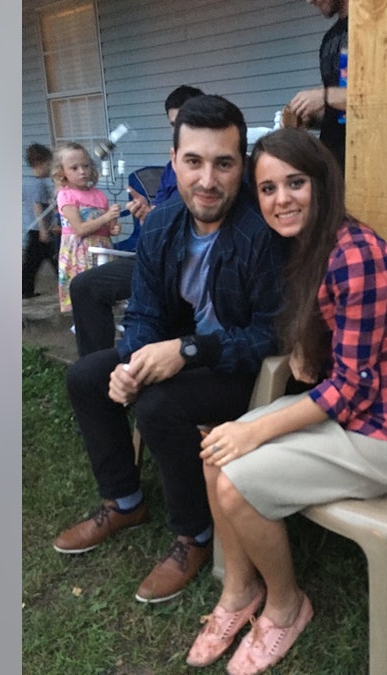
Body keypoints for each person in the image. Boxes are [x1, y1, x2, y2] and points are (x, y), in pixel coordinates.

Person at [183, 128, 387, 674]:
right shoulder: (310, 250)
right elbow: (322, 365)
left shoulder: (355, 255)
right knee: (217, 453)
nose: (282, 199)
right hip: (354, 418)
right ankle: (238, 592)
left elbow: (352, 386)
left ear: (323, 183)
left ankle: (285, 605)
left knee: (236, 476)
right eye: (268, 188)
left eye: (295, 182)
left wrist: (257, 430)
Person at [56, 95, 288, 605]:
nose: (207, 180)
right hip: (185, 353)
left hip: (239, 368)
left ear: (241, 167)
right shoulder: (162, 225)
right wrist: (133, 362)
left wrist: (184, 351)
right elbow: (144, 313)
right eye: (194, 161)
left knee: (161, 406)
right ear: (173, 160)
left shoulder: (261, 232)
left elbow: (268, 337)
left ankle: (194, 535)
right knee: (88, 378)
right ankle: (124, 500)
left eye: (223, 163)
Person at [67, 84, 205, 355]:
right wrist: (148, 214)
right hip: (154, 256)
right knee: (84, 286)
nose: (180, 132)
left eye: (187, 123)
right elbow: (161, 212)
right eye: (174, 125)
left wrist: (161, 219)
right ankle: (100, 364)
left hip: (190, 259)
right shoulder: (171, 166)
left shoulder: (214, 165)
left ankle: (144, 360)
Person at [52, 142, 122, 315]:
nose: (82, 171)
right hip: (80, 253)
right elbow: (80, 229)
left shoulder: (99, 195)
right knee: (86, 298)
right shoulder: (66, 195)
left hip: (102, 249)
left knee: (103, 295)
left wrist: (112, 227)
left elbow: (105, 227)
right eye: (74, 168)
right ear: (62, 172)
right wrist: (106, 217)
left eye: (85, 166)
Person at [287, 0, 349, 171]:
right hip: (332, 167)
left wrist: (324, 96)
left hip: (366, 166)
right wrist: (309, 119)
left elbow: (380, 98)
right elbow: (342, 116)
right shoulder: (330, 39)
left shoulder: (373, 29)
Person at [21, 143, 58, 298]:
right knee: (34, 262)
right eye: (49, 164)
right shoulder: (39, 184)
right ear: (39, 163)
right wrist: (44, 230)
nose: (50, 168)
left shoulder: (28, 182)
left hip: (33, 227)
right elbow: (37, 206)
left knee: (44, 259)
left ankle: (25, 290)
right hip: (39, 229)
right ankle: (24, 290)